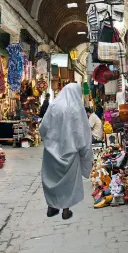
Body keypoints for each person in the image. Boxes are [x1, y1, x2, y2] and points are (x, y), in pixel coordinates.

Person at [39, 84, 92, 220]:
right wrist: (84, 152)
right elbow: (82, 133)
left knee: (52, 180)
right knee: (68, 183)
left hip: (51, 153)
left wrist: (49, 141)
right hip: (69, 153)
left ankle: (52, 207)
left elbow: (43, 128)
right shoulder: (76, 109)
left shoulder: (54, 106)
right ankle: (66, 211)